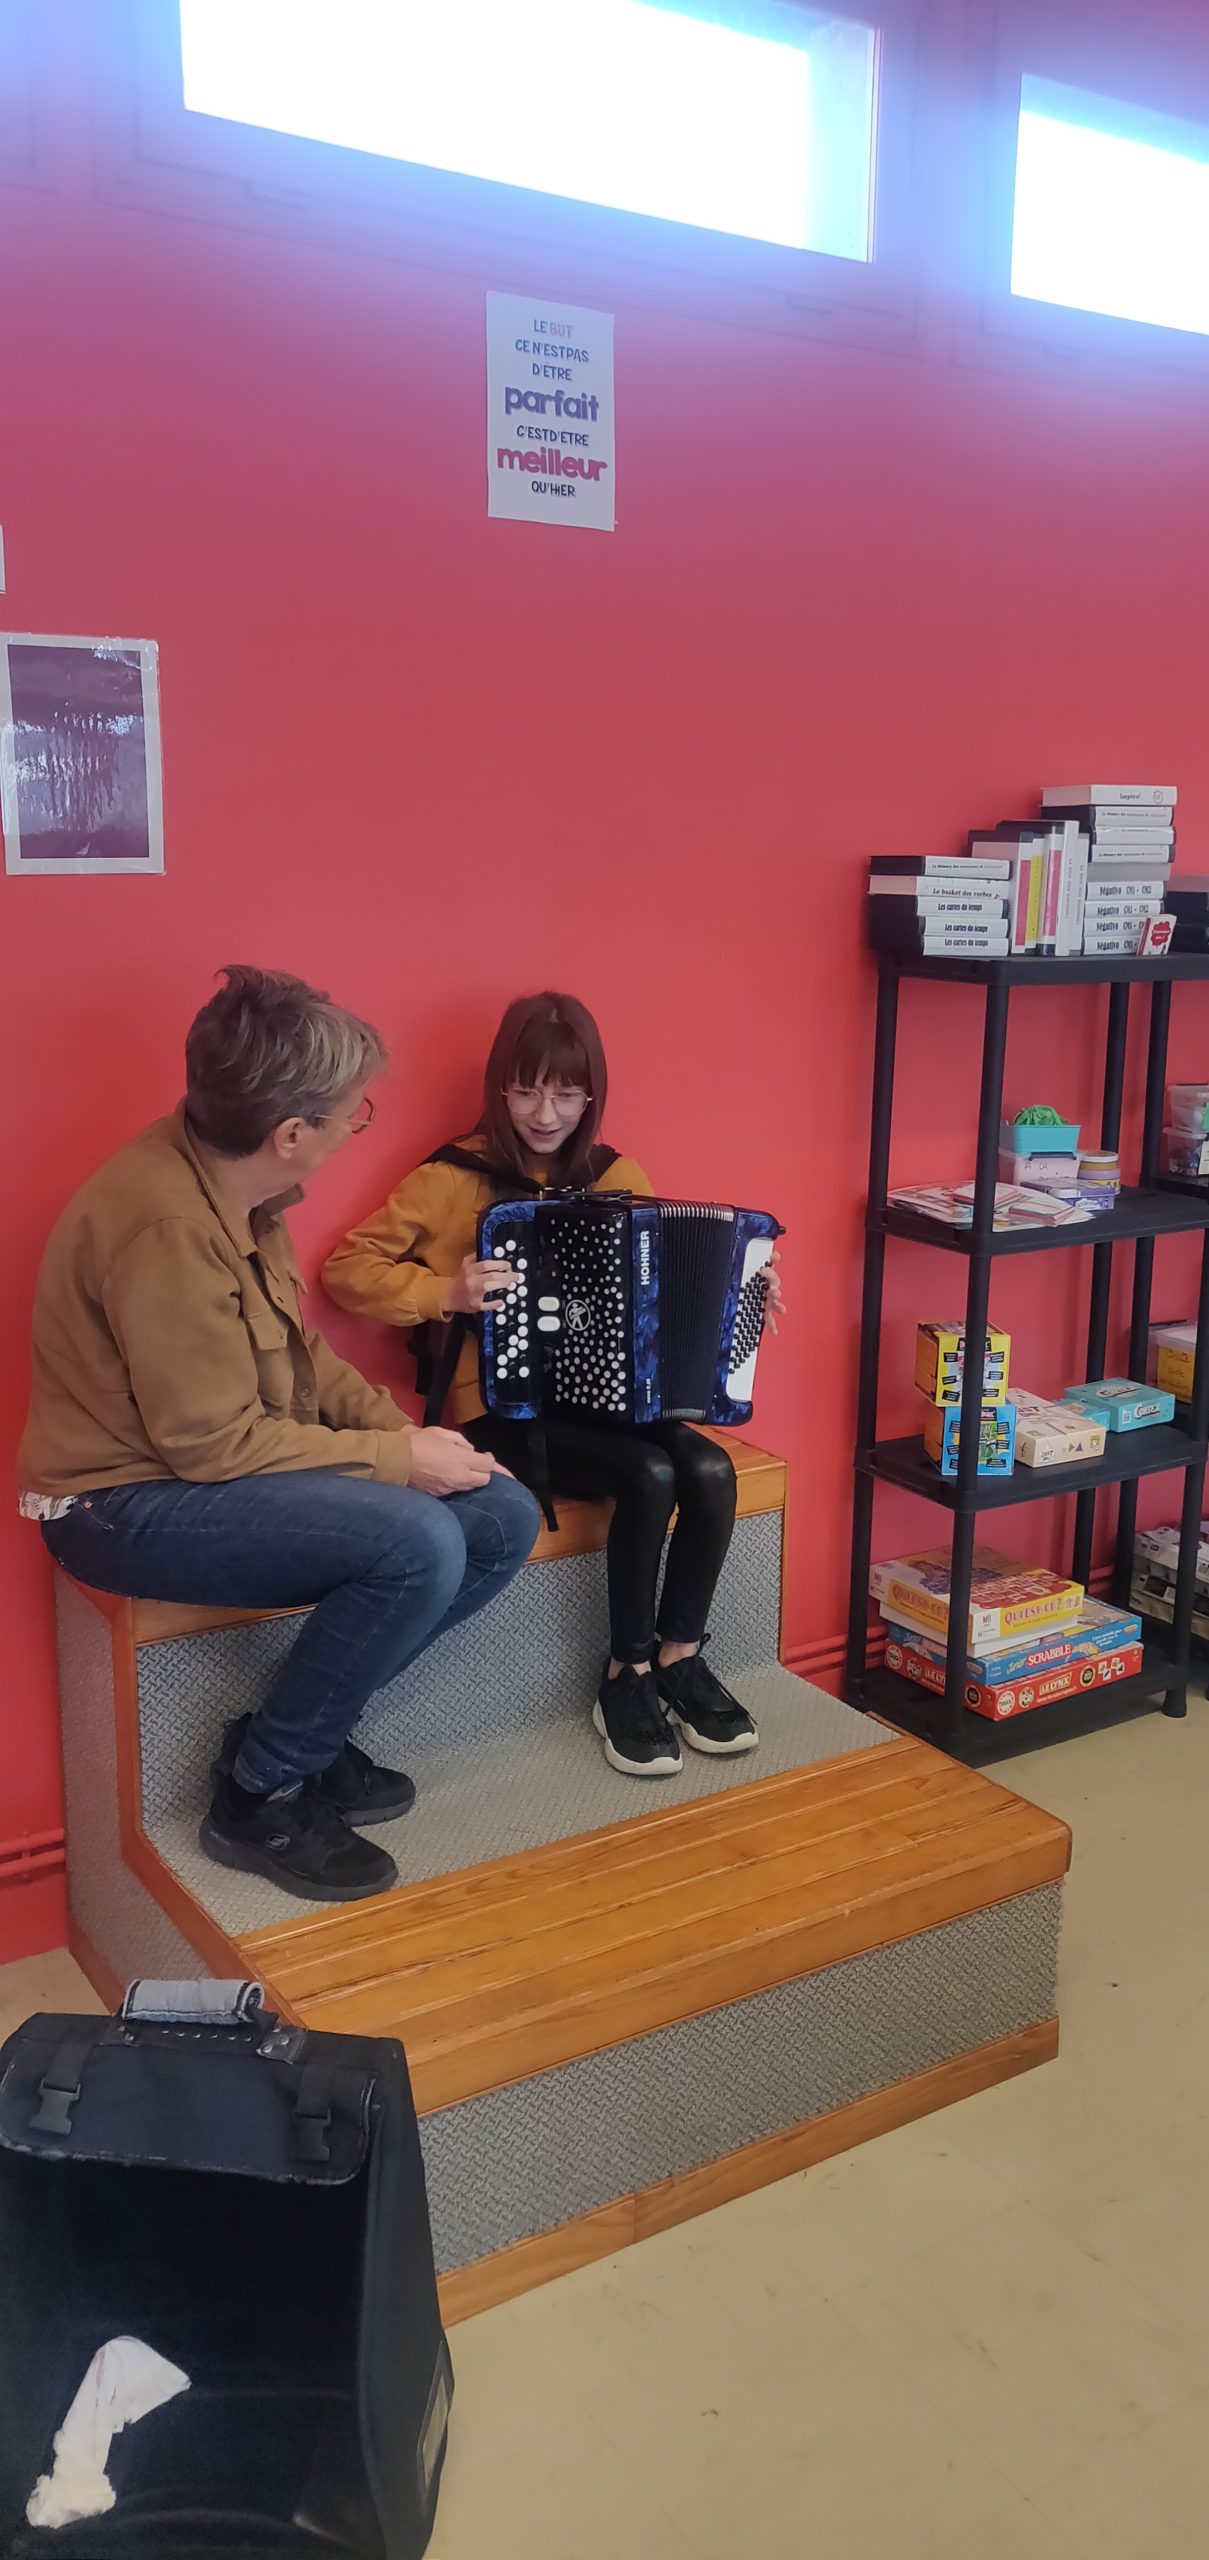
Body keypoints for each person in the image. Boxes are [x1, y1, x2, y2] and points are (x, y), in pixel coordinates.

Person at [18, 966, 540, 1904]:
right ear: (292, 1134)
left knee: (499, 1514)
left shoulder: (242, 1188)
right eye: (354, 1114)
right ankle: (257, 1794)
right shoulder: (167, 1226)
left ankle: (301, 1733)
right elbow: (212, 1447)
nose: (356, 1126)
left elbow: (302, 1361)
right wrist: (397, 1463)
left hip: (196, 1471)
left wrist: (414, 1439)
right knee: (417, 1542)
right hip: (114, 1505)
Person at [324, 991, 784, 1780]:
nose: (545, 1113)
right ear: (498, 1088)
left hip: (609, 1404)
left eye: (567, 1094)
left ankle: (679, 1658)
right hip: (500, 1411)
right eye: (525, 1090)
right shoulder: (450, 1177)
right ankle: (625, 1674)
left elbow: (660, 1295)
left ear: (592, 1095)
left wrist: (744, 1293)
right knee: (648, 1473)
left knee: (709, 1468)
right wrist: (445, 1292)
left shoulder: (617, 1174)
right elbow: (346, 1269)